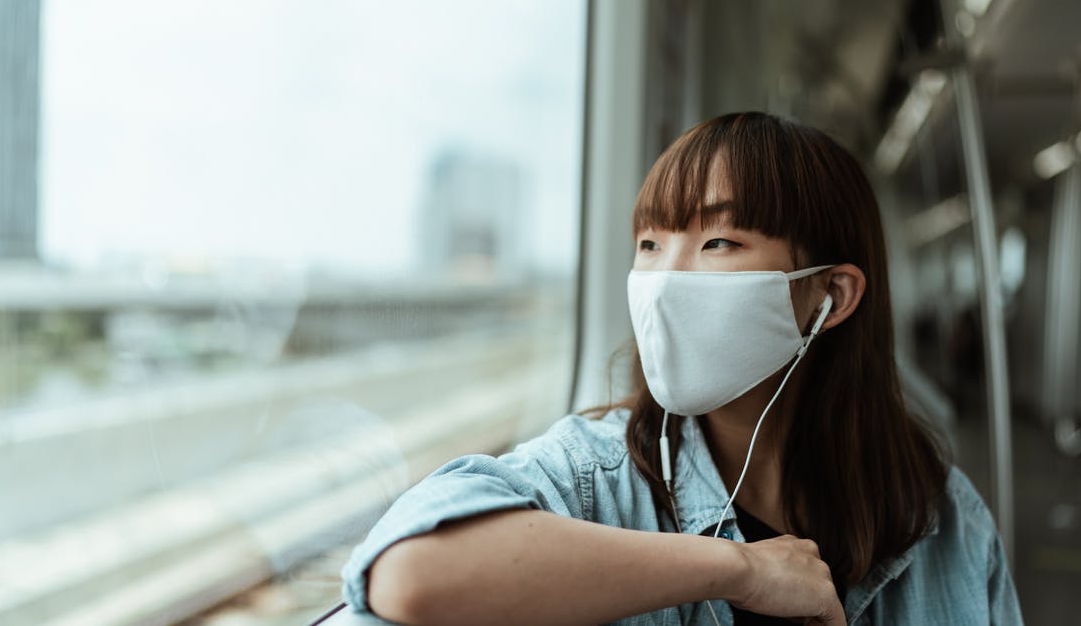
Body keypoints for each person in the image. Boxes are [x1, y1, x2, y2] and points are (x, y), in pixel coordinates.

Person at [339, 112, 1023, 625]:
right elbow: (409, 571)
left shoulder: (941, 517)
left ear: (829, 295)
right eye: (649, 242)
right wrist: (739, 568)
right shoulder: (597, 479)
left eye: (718, 240)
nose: (664, 279)